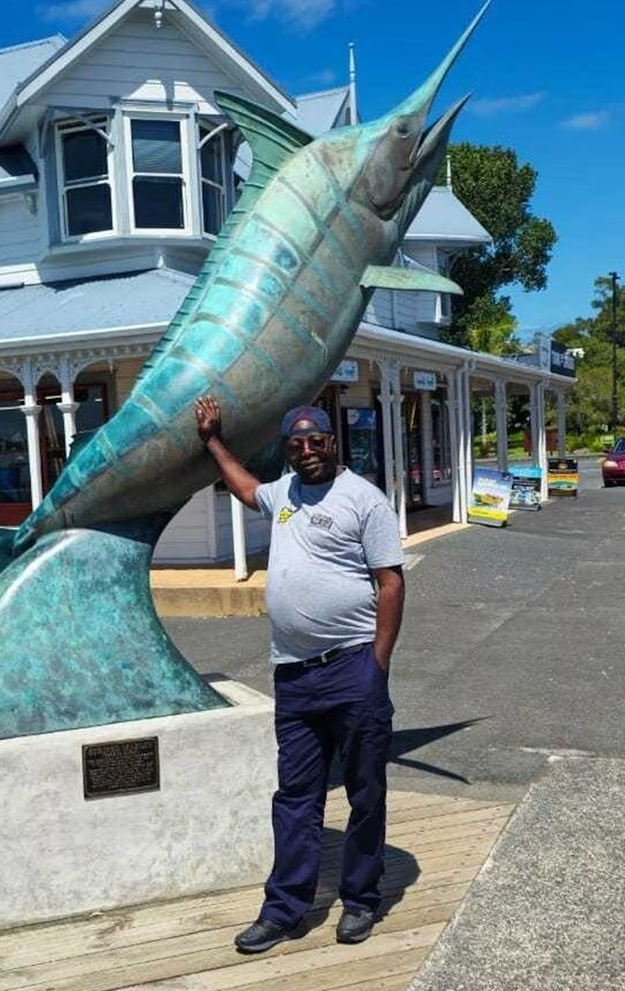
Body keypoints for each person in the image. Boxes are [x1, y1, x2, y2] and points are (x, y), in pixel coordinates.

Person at [194, 395, 405, 953]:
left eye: (317, 441)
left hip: (352, 668)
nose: (308, 451)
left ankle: (361, 900)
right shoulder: (282, 492)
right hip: (293, 675)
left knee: (364, 792)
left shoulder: (365, 499)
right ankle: (284, 908)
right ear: (287, 449)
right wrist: (213, 439)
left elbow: (391, 583)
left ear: (333, 442)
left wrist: (376, 666)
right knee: (295, 798)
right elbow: (244, 488)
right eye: (297, 444)